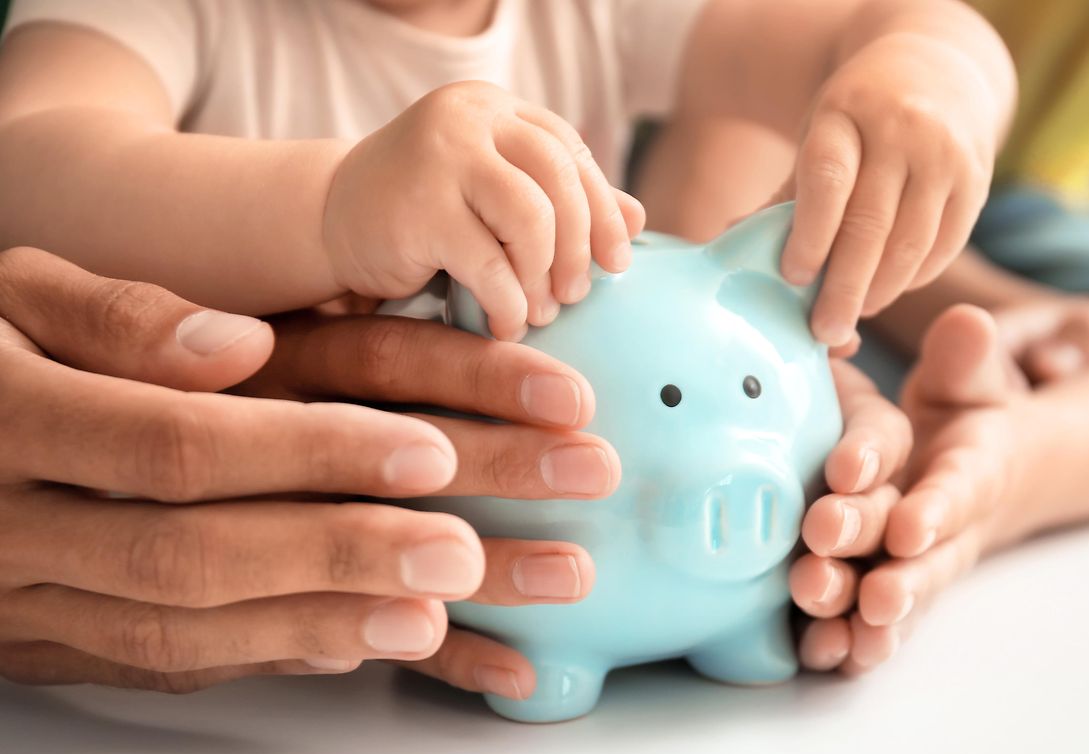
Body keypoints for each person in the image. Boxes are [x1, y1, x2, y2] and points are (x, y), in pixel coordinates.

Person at [0, 0, 1009, 693]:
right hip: (223, 626)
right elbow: (28, 158)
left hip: (535, 586)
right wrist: (333, 204)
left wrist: (933, 68)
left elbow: (879, 21)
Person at [634, 0, 1089, 670]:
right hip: (774, 207)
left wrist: (1013, 470)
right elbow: (720, 212)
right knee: (818, 485)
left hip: (998, 221)